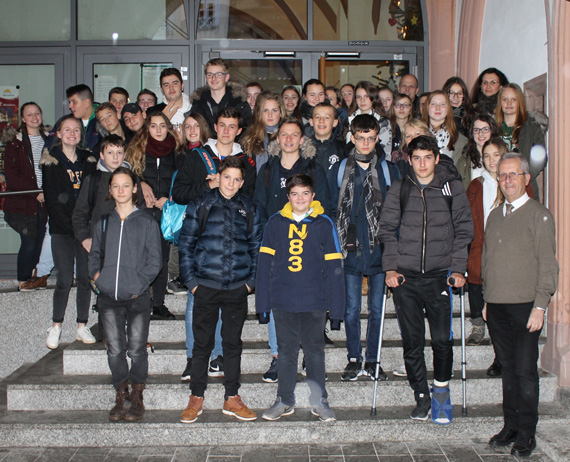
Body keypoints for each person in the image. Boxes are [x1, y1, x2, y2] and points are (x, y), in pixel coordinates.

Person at [379, 135, 473, 425]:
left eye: (427, 157)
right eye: (416, 158)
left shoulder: (452, 188)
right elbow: (386, 229)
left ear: (436, 158)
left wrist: (457, 269)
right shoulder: (399, 187)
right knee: (412, 342)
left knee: (442, 340)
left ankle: (441, 393)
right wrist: (390, 269)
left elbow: (464, 230)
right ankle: (421, 395)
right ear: (409, 159)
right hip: (405, 278)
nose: (422, 164)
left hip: (439, 276)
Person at [482, 152, 558, 458]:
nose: (508, 180)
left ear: (526, 179)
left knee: (526, 371)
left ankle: (527, 432)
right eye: (502, 175)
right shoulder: (495, 215)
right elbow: (488, 260)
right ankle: (510, 425)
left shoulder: (539, 215)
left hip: (526, 307)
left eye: (514, 174)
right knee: (509, 369)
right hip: (497, 307)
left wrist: (540, 306)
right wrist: (487, 298)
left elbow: (548, 267)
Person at [178, 156, 262, 424]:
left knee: (233, 344)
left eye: (237, 179)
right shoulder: (200, 203)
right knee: (202, 345)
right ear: (217, 177)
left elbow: (257, 248)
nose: (232, 183)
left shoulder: (249, 207)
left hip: (237, 287)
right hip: (206, 286)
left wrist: (251, 282)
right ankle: (196, 397)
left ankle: (232, 398)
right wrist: (191, 282)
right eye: (227, 177)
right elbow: (186, 244)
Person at [256, 174, 345, 422]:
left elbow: (336, 268)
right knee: (285, 353)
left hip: (315, 301)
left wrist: (336, 309)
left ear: (313, 196)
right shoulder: (275, 222)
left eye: (305, 193)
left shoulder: (324, 223)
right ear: (288, 197)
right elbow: (264, 265)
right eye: (295, 194)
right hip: (282, 301)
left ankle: (319, 400)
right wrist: (262, 304)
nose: (300, 199)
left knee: (315, 352)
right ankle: (285, 399)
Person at [254, 116, 331, 382]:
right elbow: (260, 207)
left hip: (308, 246)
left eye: (294, 134)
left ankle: (309, 355)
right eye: (283, 134)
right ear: (277, 139)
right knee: (277, 302)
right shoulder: (268, 168)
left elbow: (324, 206)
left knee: (311, 300)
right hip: (277, 246)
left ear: (302, 138)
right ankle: (278, 357)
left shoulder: (313, 168)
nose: (288, 139)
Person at [88, 167, 162, 422]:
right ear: (110, 191)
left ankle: (138, 396)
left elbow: (155, 261)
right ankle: (121, 393)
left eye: (125, 185)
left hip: (137, 297)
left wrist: (138, 284)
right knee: (115, 349)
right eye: (115, 186)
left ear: (134, 189)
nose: (121, 190)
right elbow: (94, 255)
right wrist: (100, 280)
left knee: (137, 349)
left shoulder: (147, 222)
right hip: (108, 298)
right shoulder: (103, 222)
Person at [330, 114, 400, 382]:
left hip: (378, 248)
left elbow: (394, 211)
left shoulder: (387, 168)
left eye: (371, 138)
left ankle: (373, 359)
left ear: (376, 139)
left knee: (377, 309)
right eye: (361, 138)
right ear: (352, 137)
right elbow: (332, 207)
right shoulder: (340, 168)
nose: (366, 143)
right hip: (349, 248)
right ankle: (353, 357)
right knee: (350, 309)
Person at [170, 112, 225, 381]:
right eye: (186, 126)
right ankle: (194, 357)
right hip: (199, 236)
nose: (226, 132)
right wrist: (206, 186)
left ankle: (217, 355)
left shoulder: (241, 157)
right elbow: (178, 193)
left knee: (225, 301)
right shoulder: (195, 158)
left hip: (228, 239)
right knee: (195, 300)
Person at [41, 115, 98, 349]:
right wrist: (75, 229)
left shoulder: (89, 160)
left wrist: (84, 230)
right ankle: (56, 326)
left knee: (85, 278)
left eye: (76, 130)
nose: (72, 133)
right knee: (64, 278)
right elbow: (53, 202)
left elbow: (93, 197)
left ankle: (81, 326)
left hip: (84, 230)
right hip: (63, 229)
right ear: (59, 134)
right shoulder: (51, 161)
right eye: (67, 130)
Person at [126, 112, 183, 320]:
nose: (158, 130)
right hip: (141, 212)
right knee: (140, 259)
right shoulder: (137, 149)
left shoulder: (177, 151)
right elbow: (125, 175)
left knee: (160, 260)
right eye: (153, 126)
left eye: (162, 126)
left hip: (164, 213)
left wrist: (169, 198)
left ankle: (158, 303)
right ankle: (142, 302)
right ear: (146, 129)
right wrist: (140, 184)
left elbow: (183, 181)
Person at [72, 135, 145, 259]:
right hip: (98, 243)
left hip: (127, 243)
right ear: (101, 155)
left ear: (125, 154)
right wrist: (84, 238)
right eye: (110, 152)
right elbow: (79, 213)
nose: (115, 157)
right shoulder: (93, 180)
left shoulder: (134, 179)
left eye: (119, 152)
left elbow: (141, 210)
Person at [2, 102, 48, 291]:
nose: (34, 117)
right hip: (24, 202)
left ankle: (33, 278)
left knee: (40, 243)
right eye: (29, 115)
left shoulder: (50, 141)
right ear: (23, 119)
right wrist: (35, 192)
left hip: (45, 202)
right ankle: (22, 280)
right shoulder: (15, 144)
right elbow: (13, 176)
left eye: (37, 113)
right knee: (29, 242)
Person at [495, 83, 546, 200]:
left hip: (524, 188)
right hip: (498, 185)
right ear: (500, 103)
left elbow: (540, 157)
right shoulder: (492, 128)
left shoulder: (531, 127)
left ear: (520, 102)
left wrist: (524, 177)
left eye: (513, 99)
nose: (509, 103)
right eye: (505, 99)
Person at [196, 107, 256, 197]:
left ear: (239, 131)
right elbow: (180, 193)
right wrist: (210, 185)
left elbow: (250, 197)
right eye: (222, 125)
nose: (226, 131)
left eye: (231, 127)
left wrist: (226, 186)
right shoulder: (197, 156)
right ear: (215, 127)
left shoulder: (246, 163)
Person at [190, 58, 252, 133]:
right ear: (206, 78)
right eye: (210, 74)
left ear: (226, 77)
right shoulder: (198, 104)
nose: (213, 78)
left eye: (219, 74)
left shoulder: (240, 104)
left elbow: (247, 133)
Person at [345, 81, 392, 161]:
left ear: (373, 98)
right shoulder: (349, 119)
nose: (362, 100)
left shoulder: (383, 122)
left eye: (366, 96)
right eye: (359, 97)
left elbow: (386, 153)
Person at [241, 91, 285, 173]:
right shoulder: (248, 137)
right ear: (259, 113)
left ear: (281, 113)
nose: (270, 115)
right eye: (265, 110)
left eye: (274, 110)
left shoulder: (288, 137)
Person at [422, 90, 468, 167]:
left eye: (442, 104)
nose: (438, 108)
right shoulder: (416, 134)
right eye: (433, 104)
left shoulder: (461, 140)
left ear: (448, 108)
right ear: (427, 107)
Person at [47, 84, 99, 151]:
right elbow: (50, 146)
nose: (70, 106)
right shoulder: (65, 122)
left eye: (74, 102)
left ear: (87, 102)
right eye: (69, 102)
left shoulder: (104, 120)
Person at [454, 114, 499, 191]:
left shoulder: (502, 156)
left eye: (485, 129)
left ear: (492, 131)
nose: (480, 134)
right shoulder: (464, 160)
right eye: (476, 130)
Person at [307, 102, 346, 172]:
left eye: (327, 118)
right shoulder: (303, 149)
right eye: (317, 117)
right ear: (311, 121)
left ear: (335, 123)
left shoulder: (343, 149)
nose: (321, 121)